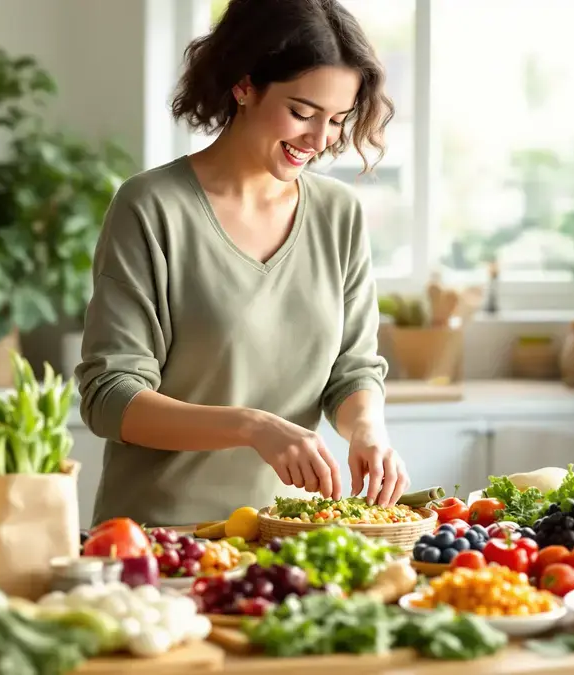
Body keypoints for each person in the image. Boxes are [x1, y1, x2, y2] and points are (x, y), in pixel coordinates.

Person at [76, 0, 410, 527]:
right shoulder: (152, 207)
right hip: (163, 538)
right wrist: (252, 427)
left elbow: (352, 370)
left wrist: (368, 425)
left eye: (337, 121)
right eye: (302, 113)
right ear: (244, 85)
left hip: (292, 535)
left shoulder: (337, 214)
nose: (320, 140)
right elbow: (110, 396)